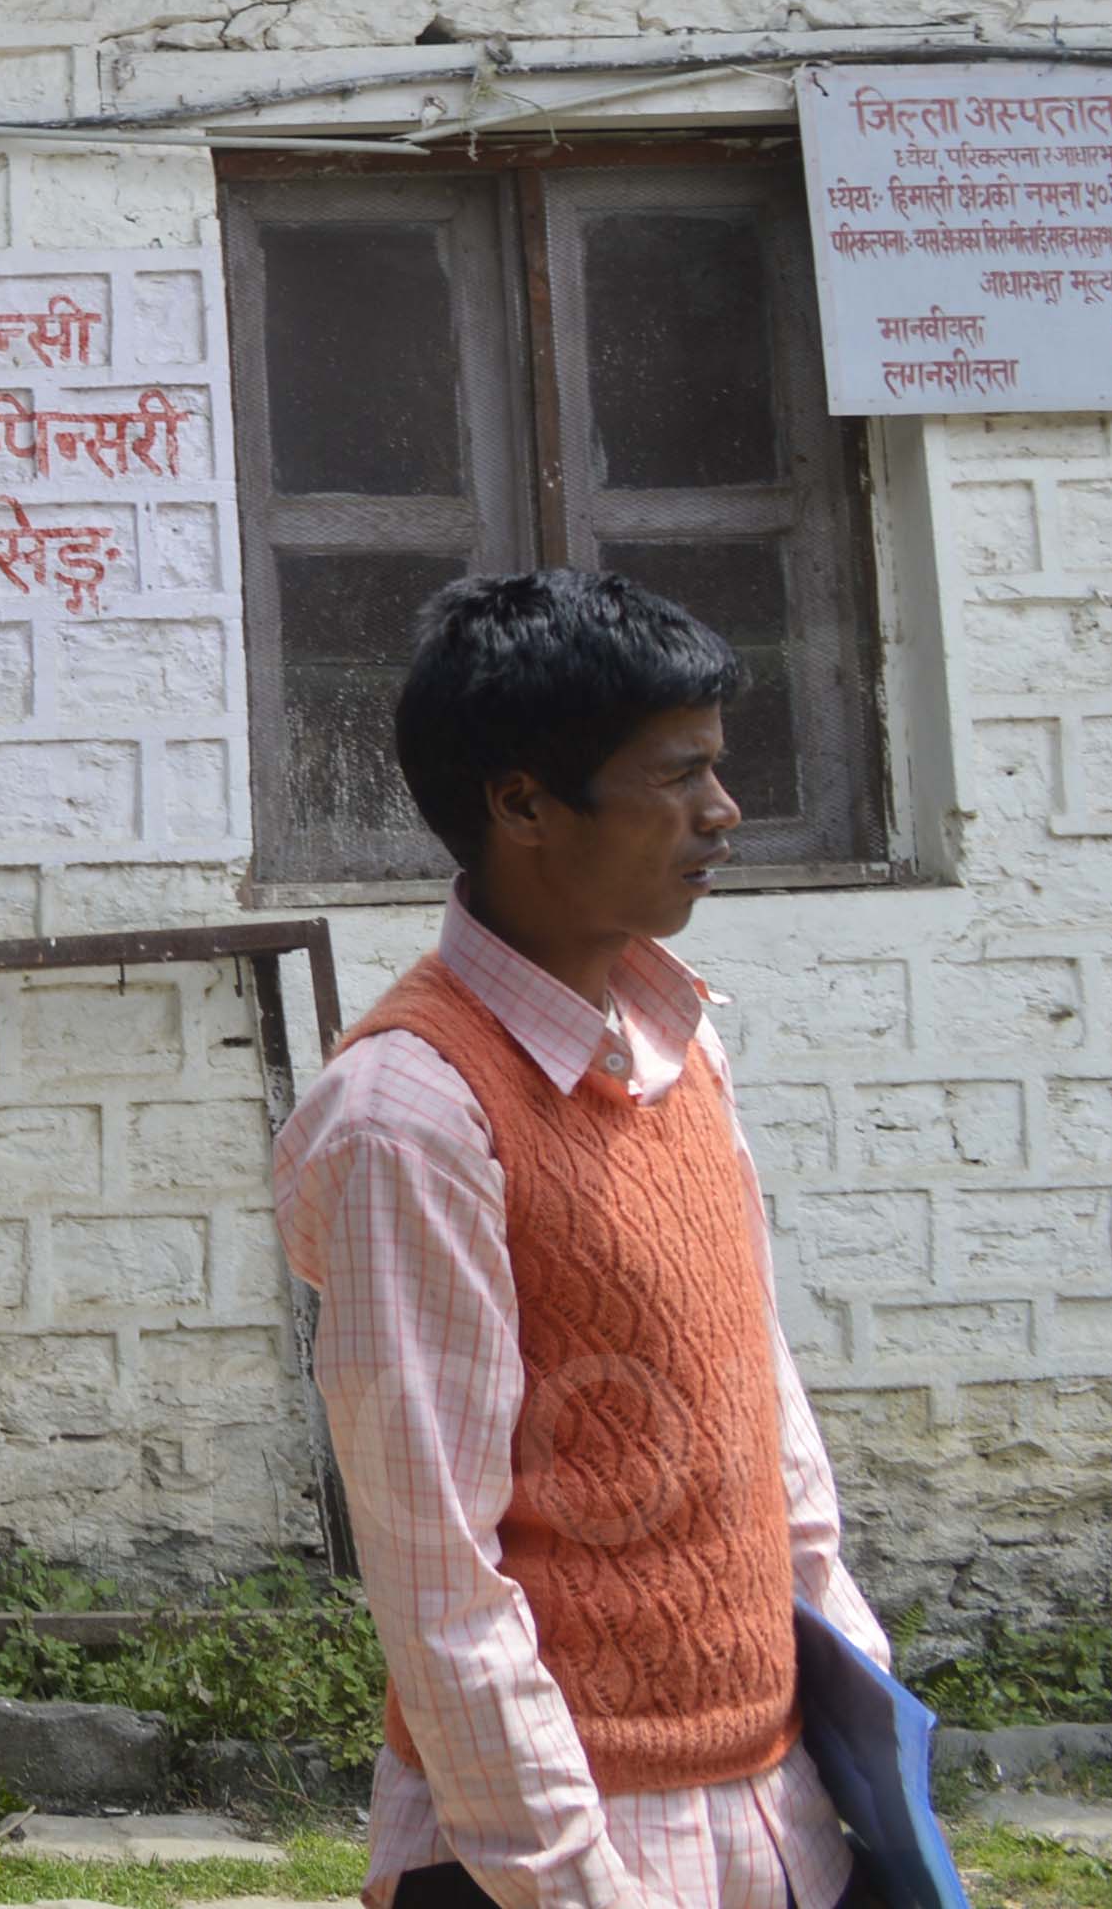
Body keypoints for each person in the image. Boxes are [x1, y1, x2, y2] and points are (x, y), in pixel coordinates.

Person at [273, 571, 894, 1909]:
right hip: (564, 1848)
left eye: (716, 767)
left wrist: (859, 1709)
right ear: (523, 804)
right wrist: (569, 1881)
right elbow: (439, 1568)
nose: (722, 811)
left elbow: (757, 1400)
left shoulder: (679, 1044)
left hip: (781, 1812)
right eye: (676, 776)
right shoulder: (412, 1117)